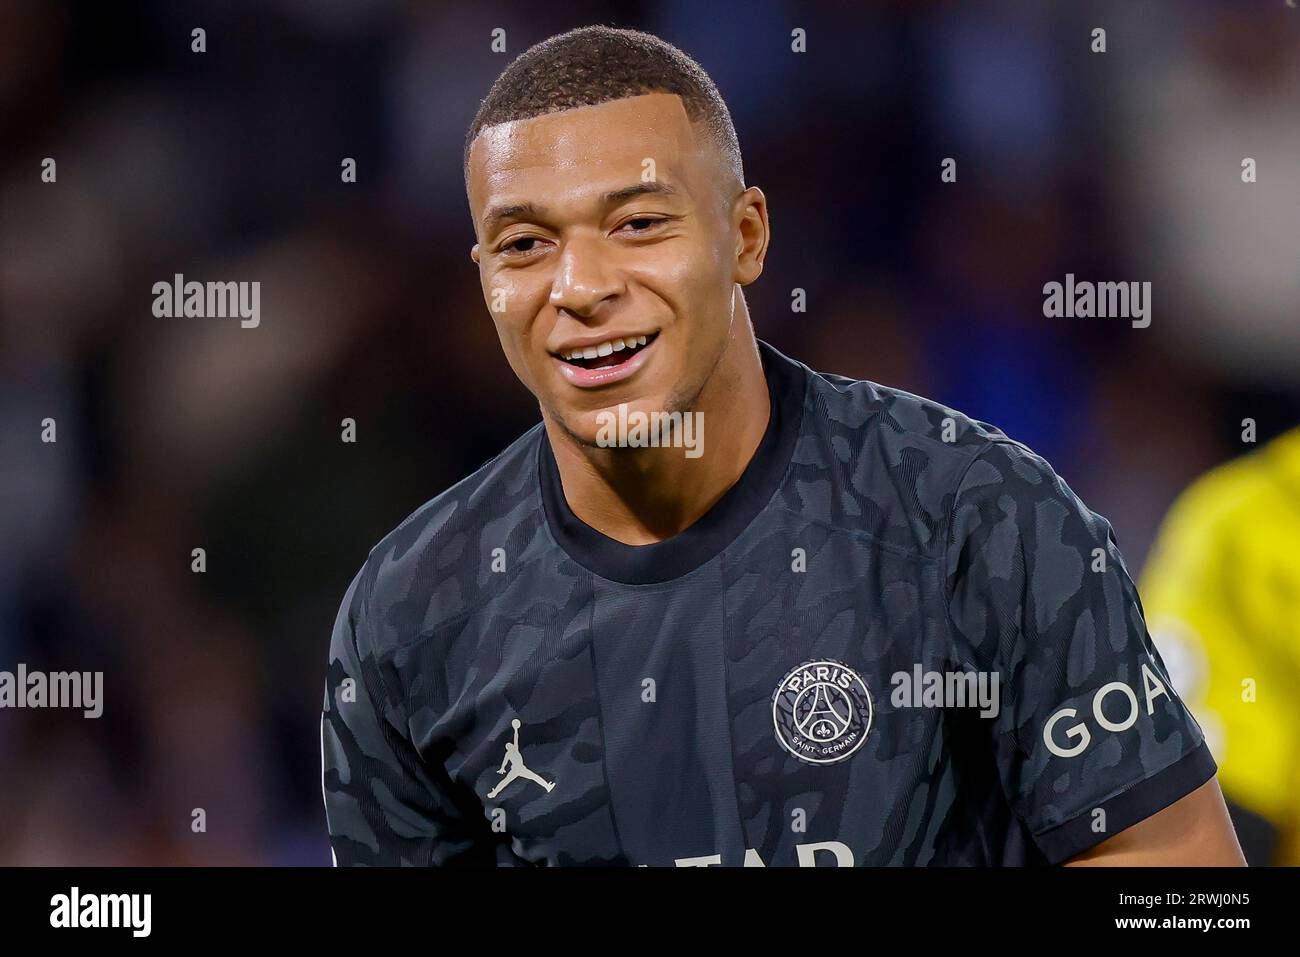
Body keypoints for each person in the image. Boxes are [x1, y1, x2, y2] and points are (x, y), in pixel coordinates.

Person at [321, 25, 1243, 866]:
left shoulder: (981, 520)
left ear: (746, 236)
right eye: (524, 243)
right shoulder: (408, 618)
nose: (582, 285)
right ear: (484, 280)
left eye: (639, 224)